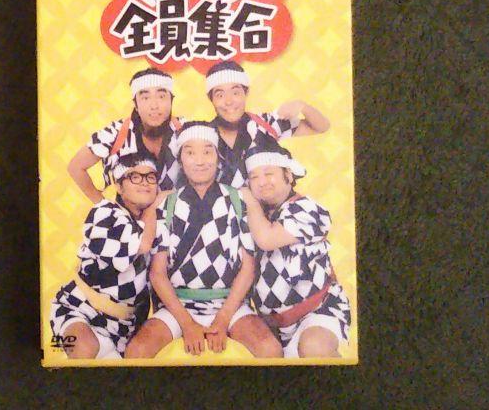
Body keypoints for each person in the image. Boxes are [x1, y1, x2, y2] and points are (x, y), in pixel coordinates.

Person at [124, 122, 280, 359]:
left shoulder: (239, 200)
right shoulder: (166, 203)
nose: (200, 161)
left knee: (270, 350)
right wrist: (187, 324)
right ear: (180, 159)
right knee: (137, 352)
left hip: (230, 304)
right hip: (178, 305)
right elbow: (157, 273)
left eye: (207, 151)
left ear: (218, 157)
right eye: (190, 152)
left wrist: (222, 320)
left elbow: (248, 269)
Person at [240, 144, 352, 358]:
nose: (261, 182)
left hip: (318, 311)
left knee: (314, 347)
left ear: (289, 175)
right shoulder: (255, 215)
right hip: (274, 327)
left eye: (269, 173)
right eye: (253, 177)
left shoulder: (307, 208)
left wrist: (249, 200)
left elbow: (267, 239)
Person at [49, 153, 163, 359]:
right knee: (84, 348)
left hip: (122, 328)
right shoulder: (105, 212)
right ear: (119, 186)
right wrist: (154, 207)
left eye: (151, 177)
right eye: (135, 177)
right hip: (79, 308)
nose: (144, 182)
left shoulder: (155, 224)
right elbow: (142, 245)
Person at [203, 61, 330, 189]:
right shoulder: (202, 136)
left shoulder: (265, 123)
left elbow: (321, 127)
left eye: (235, 93)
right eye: (220, 95)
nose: (229, 101)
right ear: (211, 99)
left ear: (246, 93)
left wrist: (303, 106)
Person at [68, 67, 184, 200]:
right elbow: (75, 167)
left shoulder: (186, 131)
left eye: (161, 96)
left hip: (174, 211)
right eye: (145, 97)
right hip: (127, 212)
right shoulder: (116, 132)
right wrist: (104, 206)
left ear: (171, 101)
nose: (154, 106)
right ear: (136, 104)